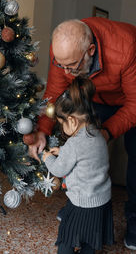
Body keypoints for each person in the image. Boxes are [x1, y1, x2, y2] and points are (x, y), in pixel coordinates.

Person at [29, 18, 136, 250]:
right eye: (61, 65)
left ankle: (135, 219)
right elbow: (55, 93)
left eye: (72, 66)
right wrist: (42, 131)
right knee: (80, 148)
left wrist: (105, 133)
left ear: (91, 51)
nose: (66, 72)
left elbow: (134, 103)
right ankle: (78, 205)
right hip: (95, 99)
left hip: (130, 99)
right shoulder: (63, 52)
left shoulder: (127, 46)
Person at [42, 77, 114, 254]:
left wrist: (47, 158)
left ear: (72, 121)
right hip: (101, 200)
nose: (62, 129)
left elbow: (59, 169)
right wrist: (63, 150)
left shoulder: (73, 144)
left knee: (67, 235)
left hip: (82, 203)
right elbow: (85, 155)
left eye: (62, 124)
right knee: (91, 237)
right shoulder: (98, 134)